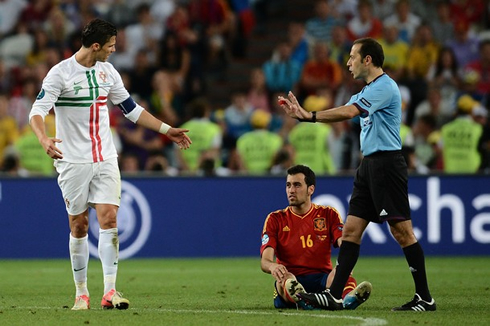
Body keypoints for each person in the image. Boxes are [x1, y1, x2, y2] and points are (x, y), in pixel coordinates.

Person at [28, 18, 192, 311]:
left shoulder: (108, 72)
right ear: (95, 46)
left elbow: (131, 110)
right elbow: (37, 111)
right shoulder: (60, 74)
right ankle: (81, 293)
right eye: (111, 46)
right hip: (72, 161)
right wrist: (43, 139)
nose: (115, 50)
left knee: (110, 219)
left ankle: (110, 291)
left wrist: (168, 130)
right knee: (79, 226)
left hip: (105, 156)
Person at [278, 37, 436, 311]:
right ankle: (335, 294)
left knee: (402, 231)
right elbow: (347, 109)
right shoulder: (366, 91)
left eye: (352, 56)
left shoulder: (384, 87)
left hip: (386, 164)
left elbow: (349, 112)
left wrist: (309, 115)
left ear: (367, 60)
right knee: (351, 230)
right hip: (368, 166)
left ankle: (425, 297)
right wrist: (305, 115)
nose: (348, 62)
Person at [260, 164, 372, 310]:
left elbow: (344, 244)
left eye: (297, 185)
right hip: (292, 277)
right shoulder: (275, 219)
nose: (291, 190)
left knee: (341, 274)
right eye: (288, 185)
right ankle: (309, 300)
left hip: (323, 280)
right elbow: (265, 261)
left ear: (310, 189)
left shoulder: (328, 214)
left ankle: (347, 298)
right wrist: (273, 266)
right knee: (286, 281)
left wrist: (346, 265)